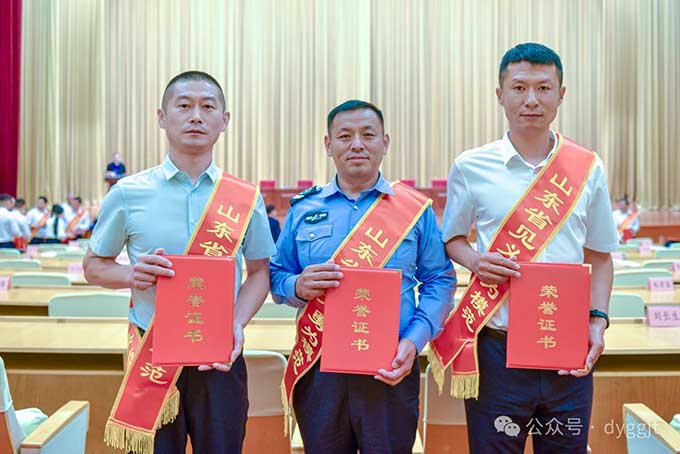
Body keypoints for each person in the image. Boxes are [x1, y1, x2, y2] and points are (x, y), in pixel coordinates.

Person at [433, 43, 619, 453]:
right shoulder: (471, 166)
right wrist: (476, 261)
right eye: (519, 88)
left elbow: (600, 256)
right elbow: (452, 239)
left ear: (561, 94)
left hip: (567, 347)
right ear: (500, 94)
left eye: (543, 88)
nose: (531, 99)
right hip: (497, 350)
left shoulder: (588, 167)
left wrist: (598, 321)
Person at [83, 70, 276, 454]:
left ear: (225, 120)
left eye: (208, 107)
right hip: (153, 356)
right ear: (162, 116)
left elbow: (259, 273)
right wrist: (131, 274)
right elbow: (94, 266)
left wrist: (236, 322)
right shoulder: (128, 193)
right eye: (184, 106)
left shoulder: (244, 197)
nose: (196, 116)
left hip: (220, 359)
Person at [270, 100, 456, 453]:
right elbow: (277, 274)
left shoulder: (414, 210)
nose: (357, 144)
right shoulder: (304, 209)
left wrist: (414, 340)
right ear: (328, 145)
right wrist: (297, 285)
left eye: (368, 135)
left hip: (391, 365)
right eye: (345, 136)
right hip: (320, 368)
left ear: (385, 143)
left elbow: (440, 280)